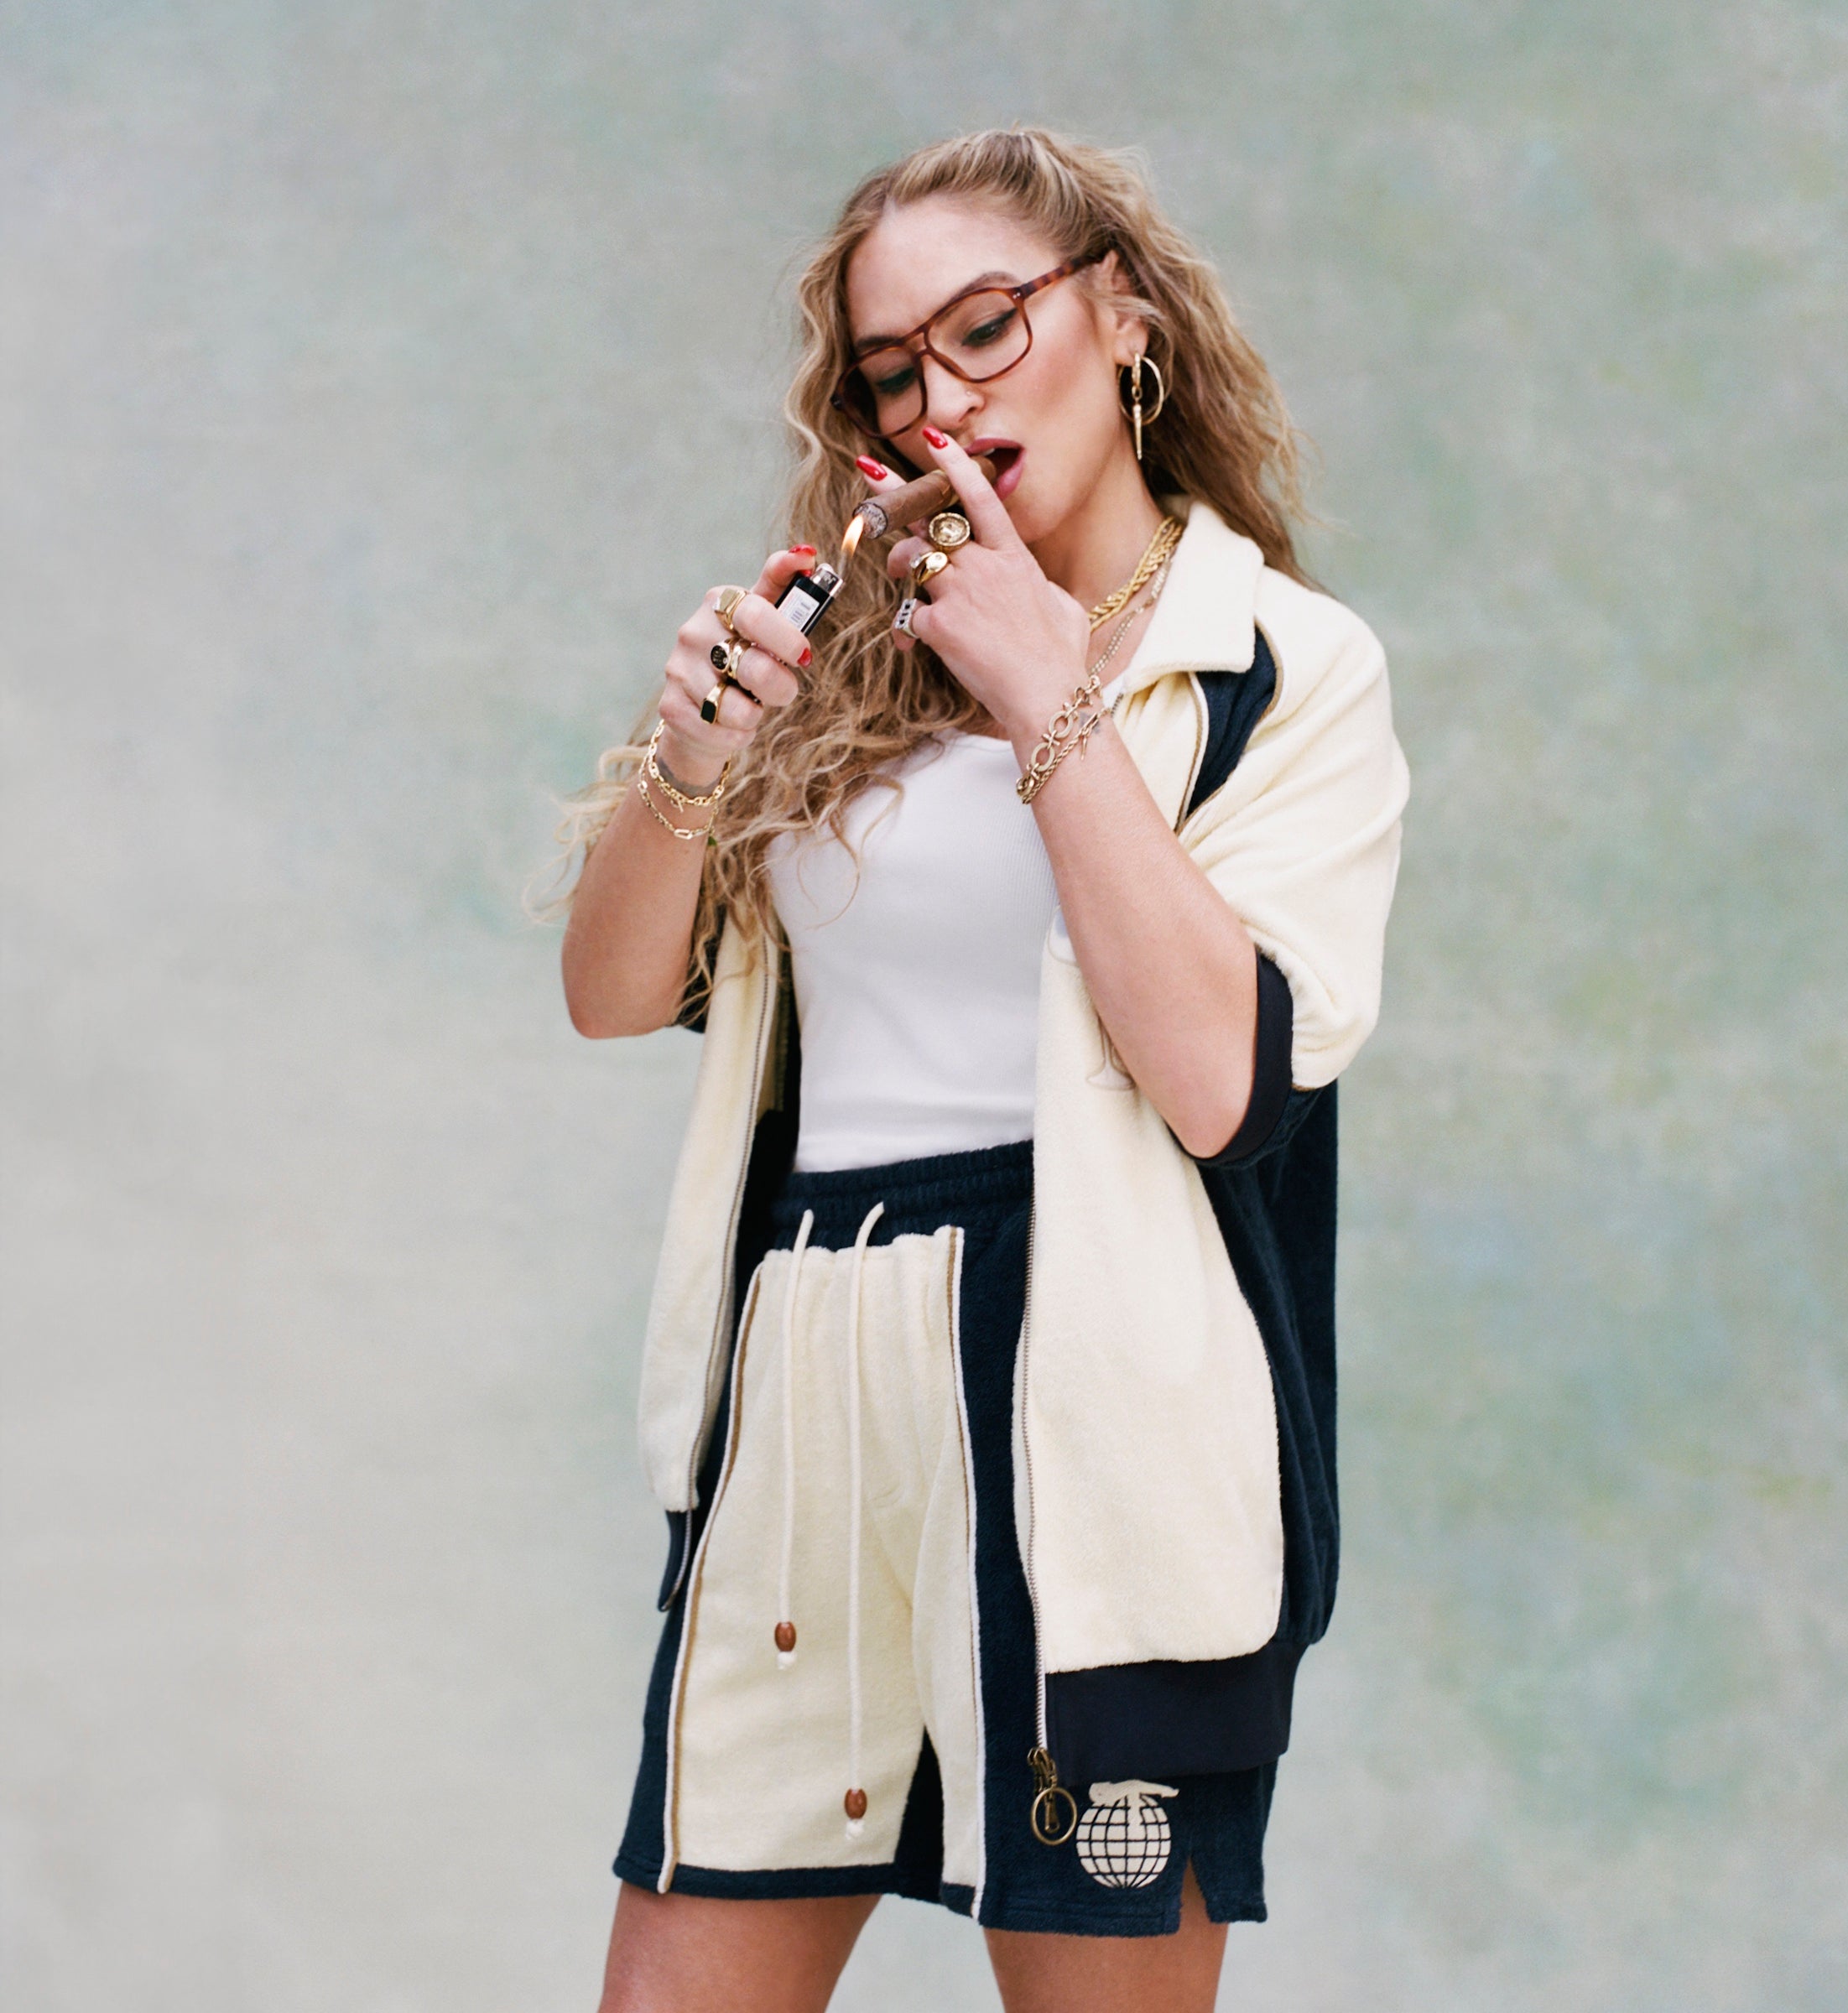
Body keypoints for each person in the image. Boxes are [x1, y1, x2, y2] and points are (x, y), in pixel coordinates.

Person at [556, 126, 1408, 2013]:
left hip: (1093, 1410)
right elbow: (613, 995)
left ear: (1125, 317)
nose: (944, 396)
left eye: (987, 328)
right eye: (893, 372)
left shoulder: (1284, 666)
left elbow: (1223, 1083)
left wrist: (1046, 687)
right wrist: (690, 761)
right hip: (810, 1370)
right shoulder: (851, 660)